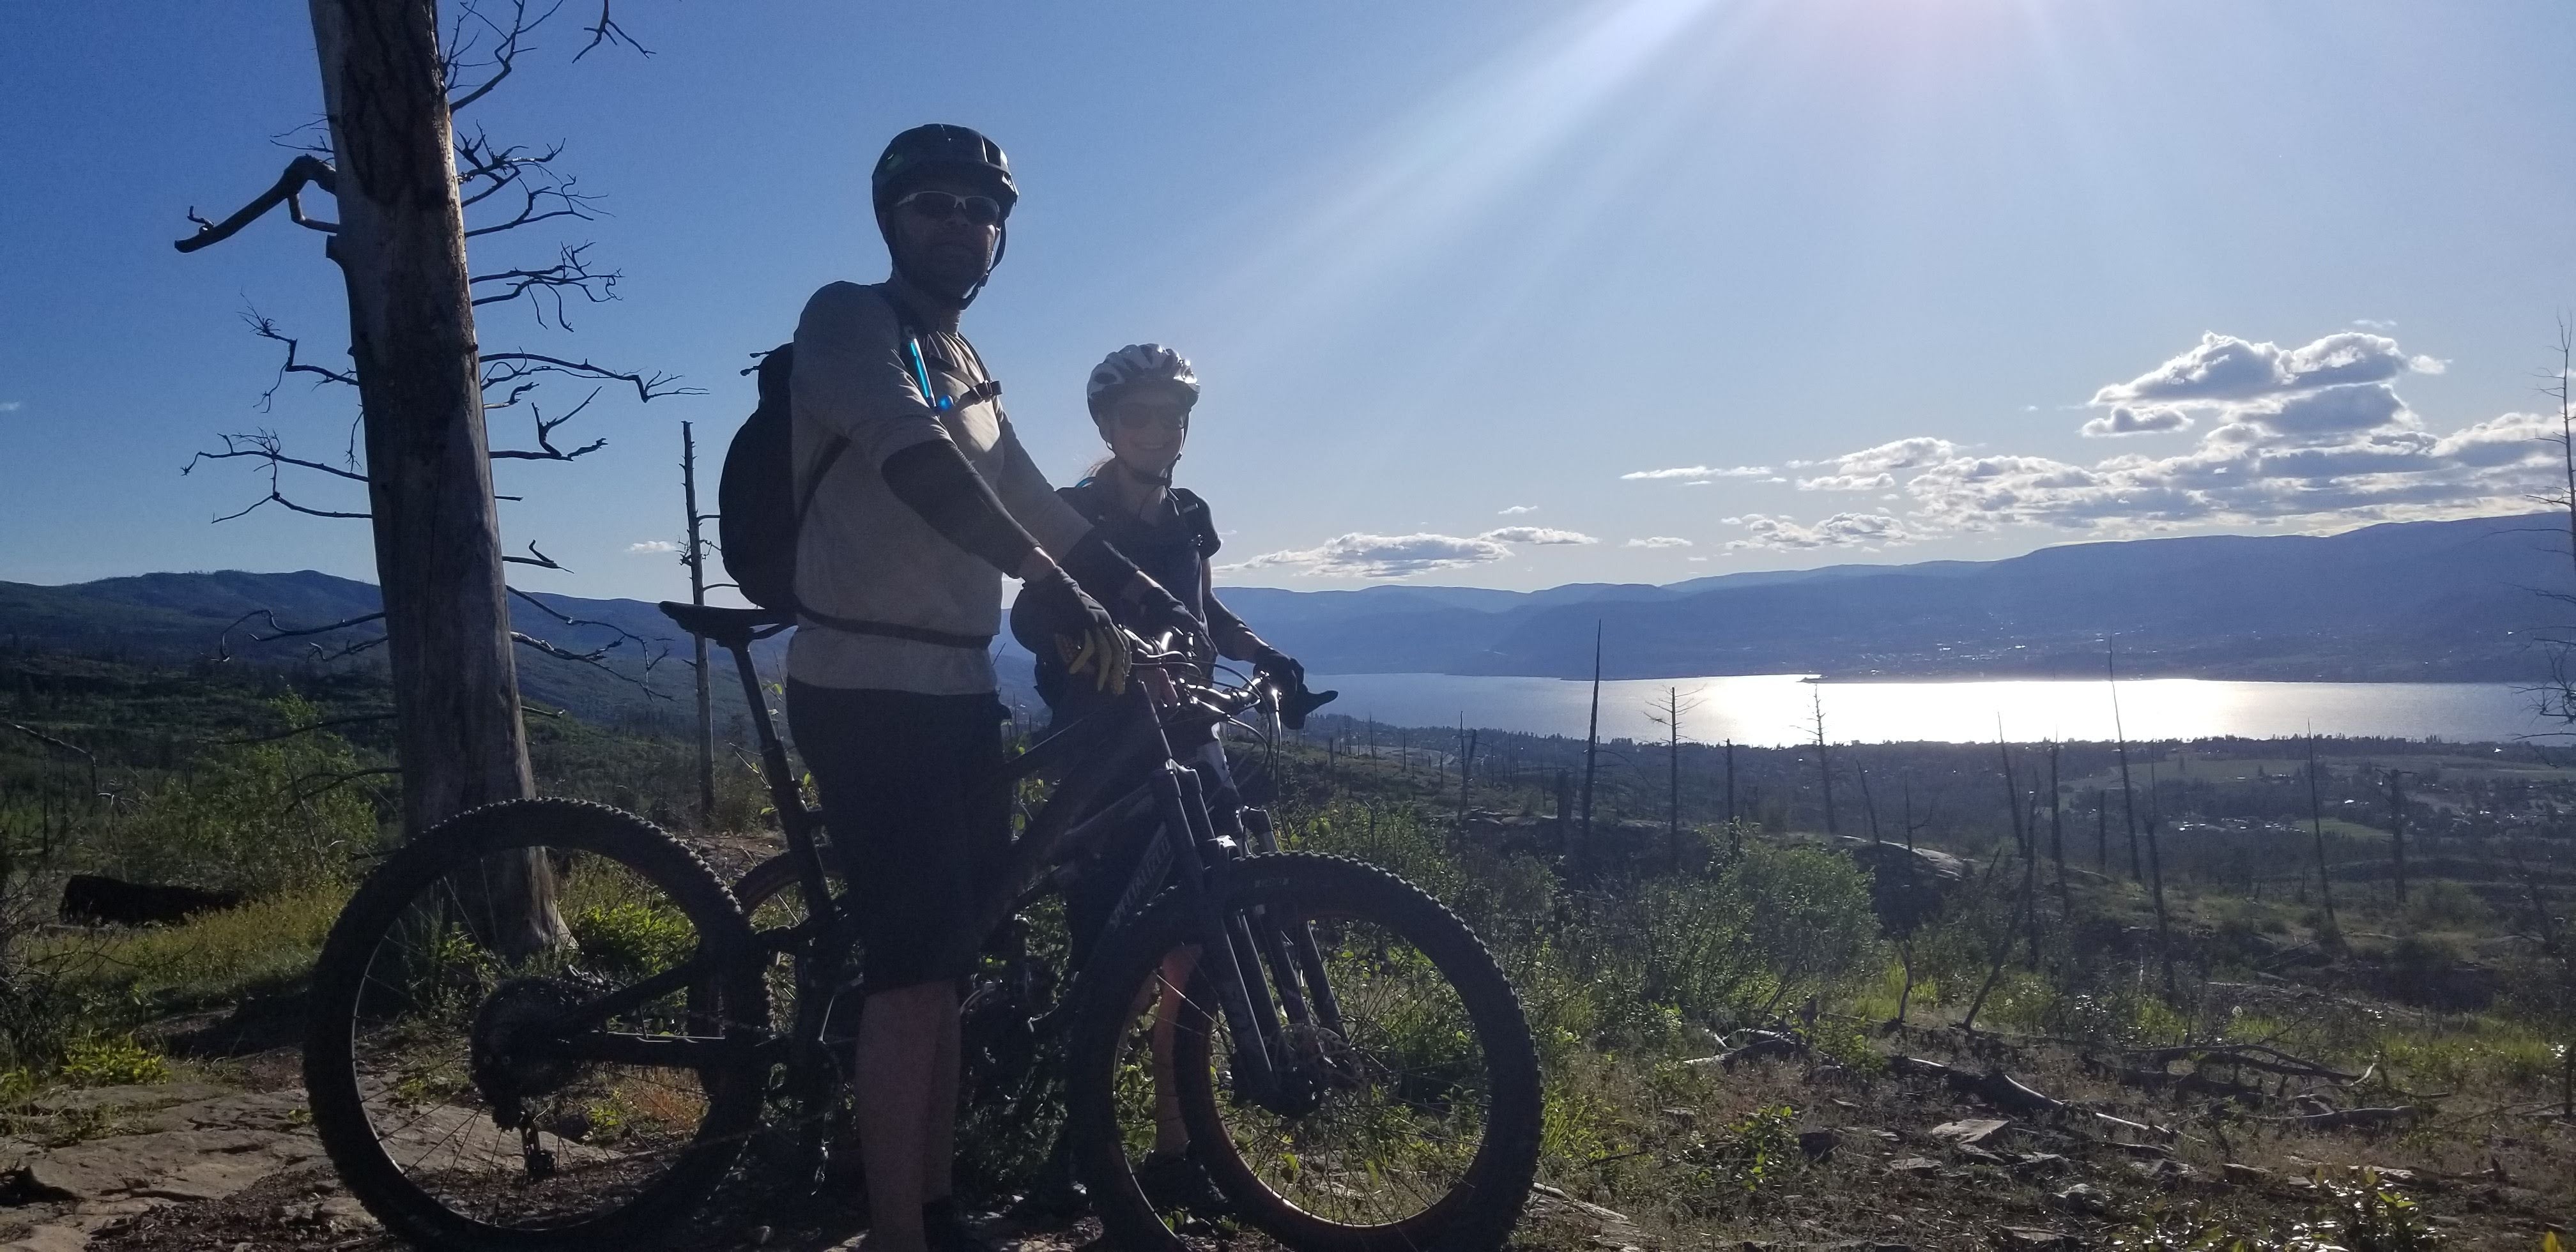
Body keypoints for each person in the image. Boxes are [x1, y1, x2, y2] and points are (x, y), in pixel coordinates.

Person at [784, 124, 1186, 1252]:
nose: (961, 225)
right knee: (913, 971)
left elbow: (1048, 516)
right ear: (892, 219)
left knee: (949, 962)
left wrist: (1154, 612)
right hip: (863, 683)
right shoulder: (846, 320)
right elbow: (918, 470)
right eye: (935, 206)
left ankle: (936, 1203)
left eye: (980, 209)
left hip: (957, 689)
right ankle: (896, 1233)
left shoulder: (966, 367)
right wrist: (1072, 590)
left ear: (1001, 235)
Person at [1008, 342, 1308, 1215]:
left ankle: (1177, 1156)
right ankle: (1075, 1152)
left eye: (1173, 414)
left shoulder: (1188, 513)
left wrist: (1261, 651)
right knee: (1109, 957)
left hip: (1191, 740)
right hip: (1102, 748)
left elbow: (1202, 606)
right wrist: (1098, 649)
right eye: (1139, 414)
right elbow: (1032, 616)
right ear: (1108, 425)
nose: (1159, 429)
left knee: (1197, 949)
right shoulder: (1072, 513)